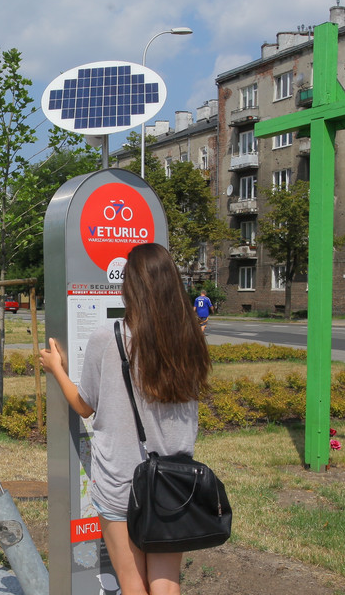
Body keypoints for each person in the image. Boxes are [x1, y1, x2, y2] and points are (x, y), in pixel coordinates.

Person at [39, 243, 211, 595]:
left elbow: (85, 406)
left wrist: (57, 369)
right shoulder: (191, 338)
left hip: (121, 481)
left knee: (132, 583)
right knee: (166, 584)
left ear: (130, 287)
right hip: (174, 482)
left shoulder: (110, 336)